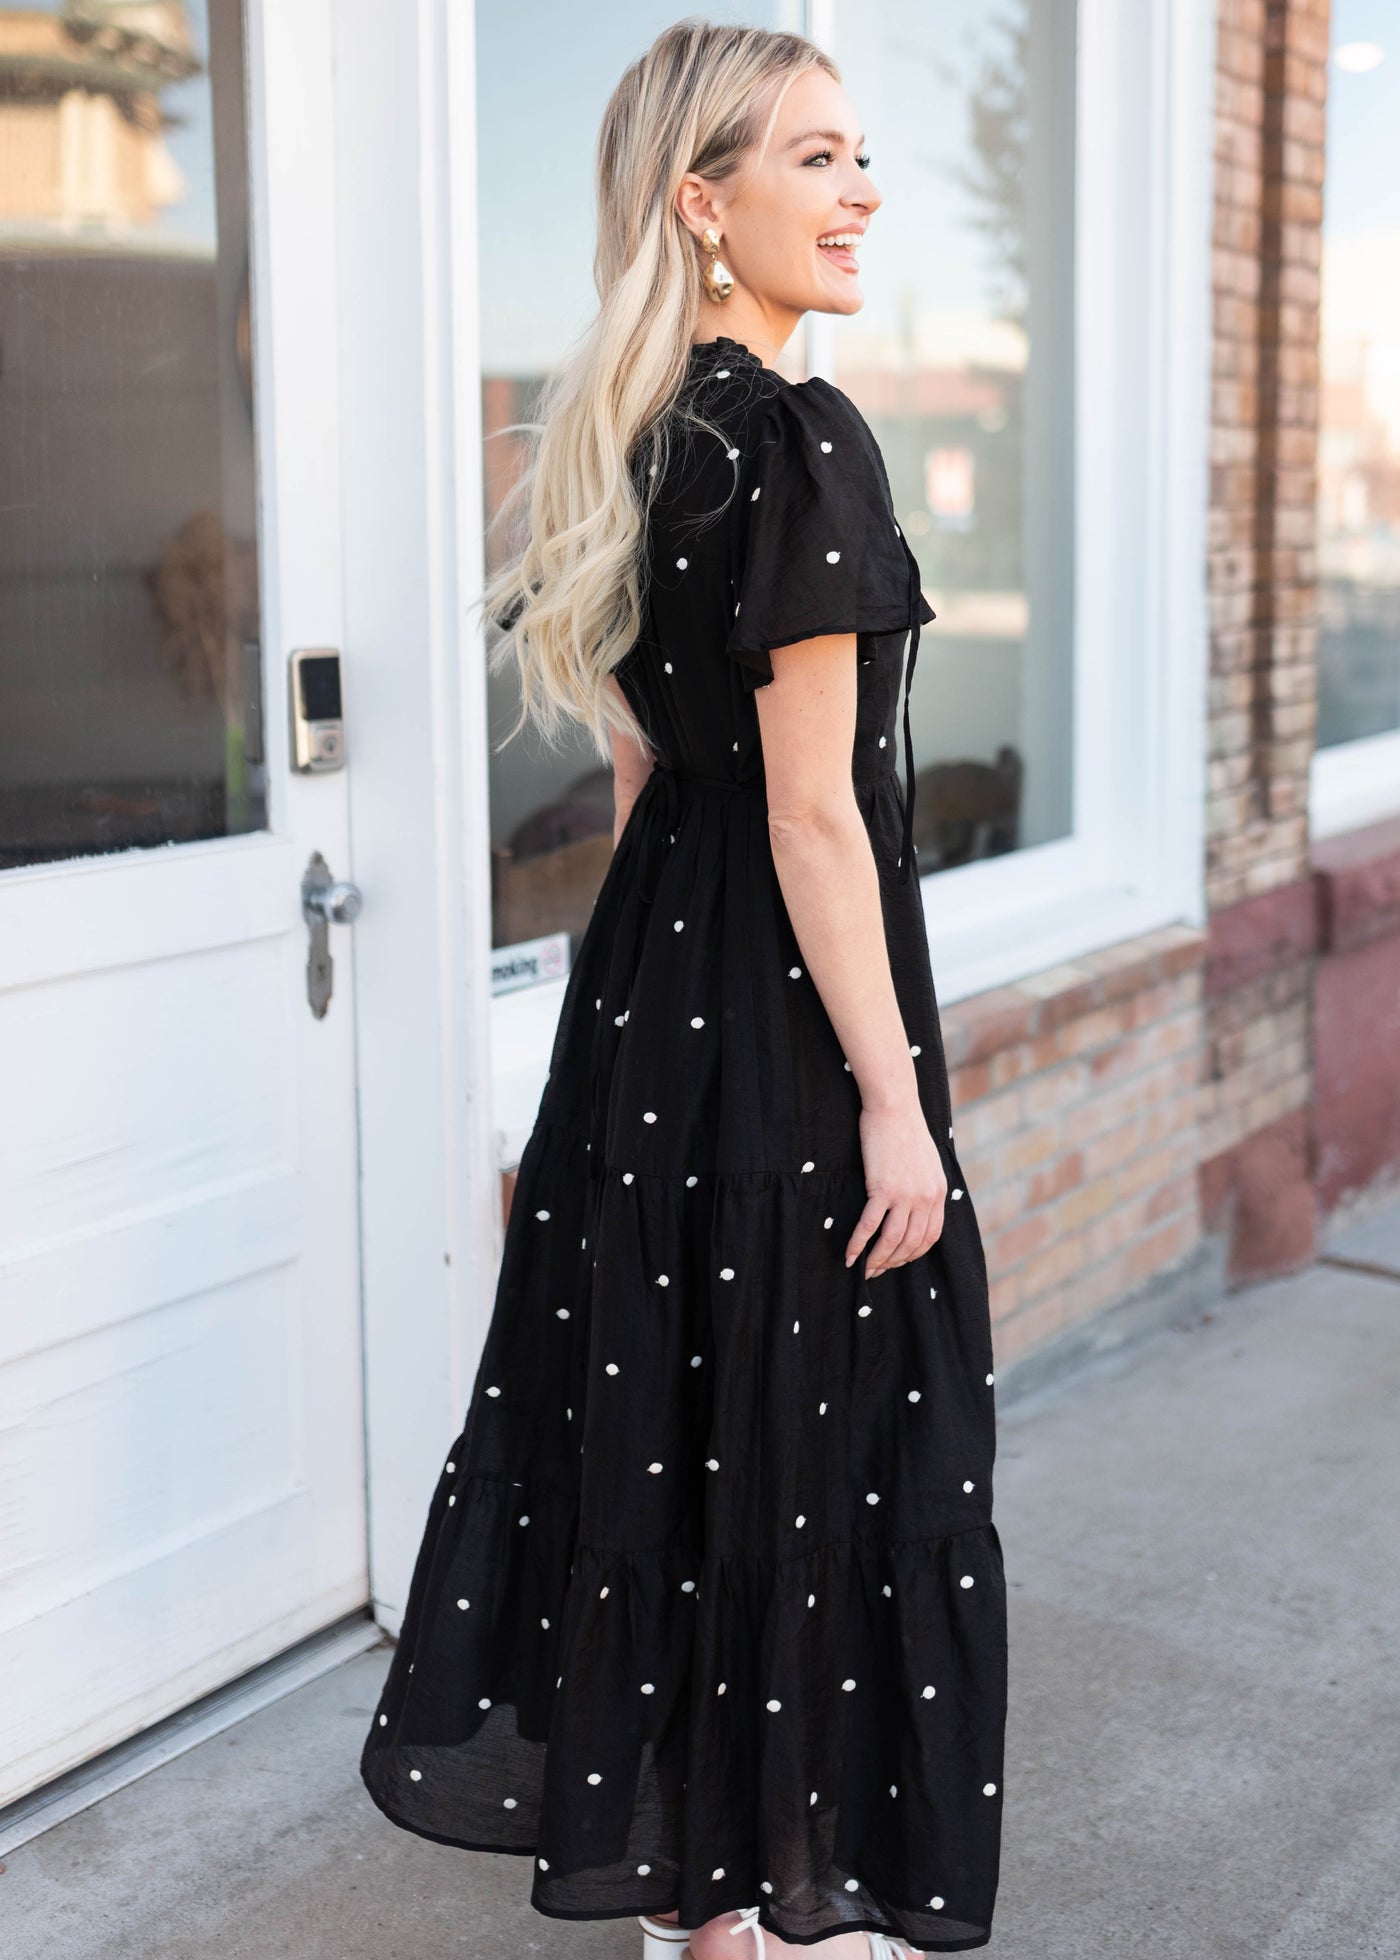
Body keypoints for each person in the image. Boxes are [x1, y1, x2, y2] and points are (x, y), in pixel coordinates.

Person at [359, 20, 1007, 1957]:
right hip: (788, 1033)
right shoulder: (804, 438)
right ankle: (770, 1908)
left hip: (646, 1012)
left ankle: (703, 1911)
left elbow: (646, 787)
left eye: (858, 152)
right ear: (698, 201)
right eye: (814, 156)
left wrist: (608, 1049)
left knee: (678, 1424)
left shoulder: (641, 439)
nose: (862, 186)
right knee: (818, 1441)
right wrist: (895, 1097)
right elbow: (815, 817)